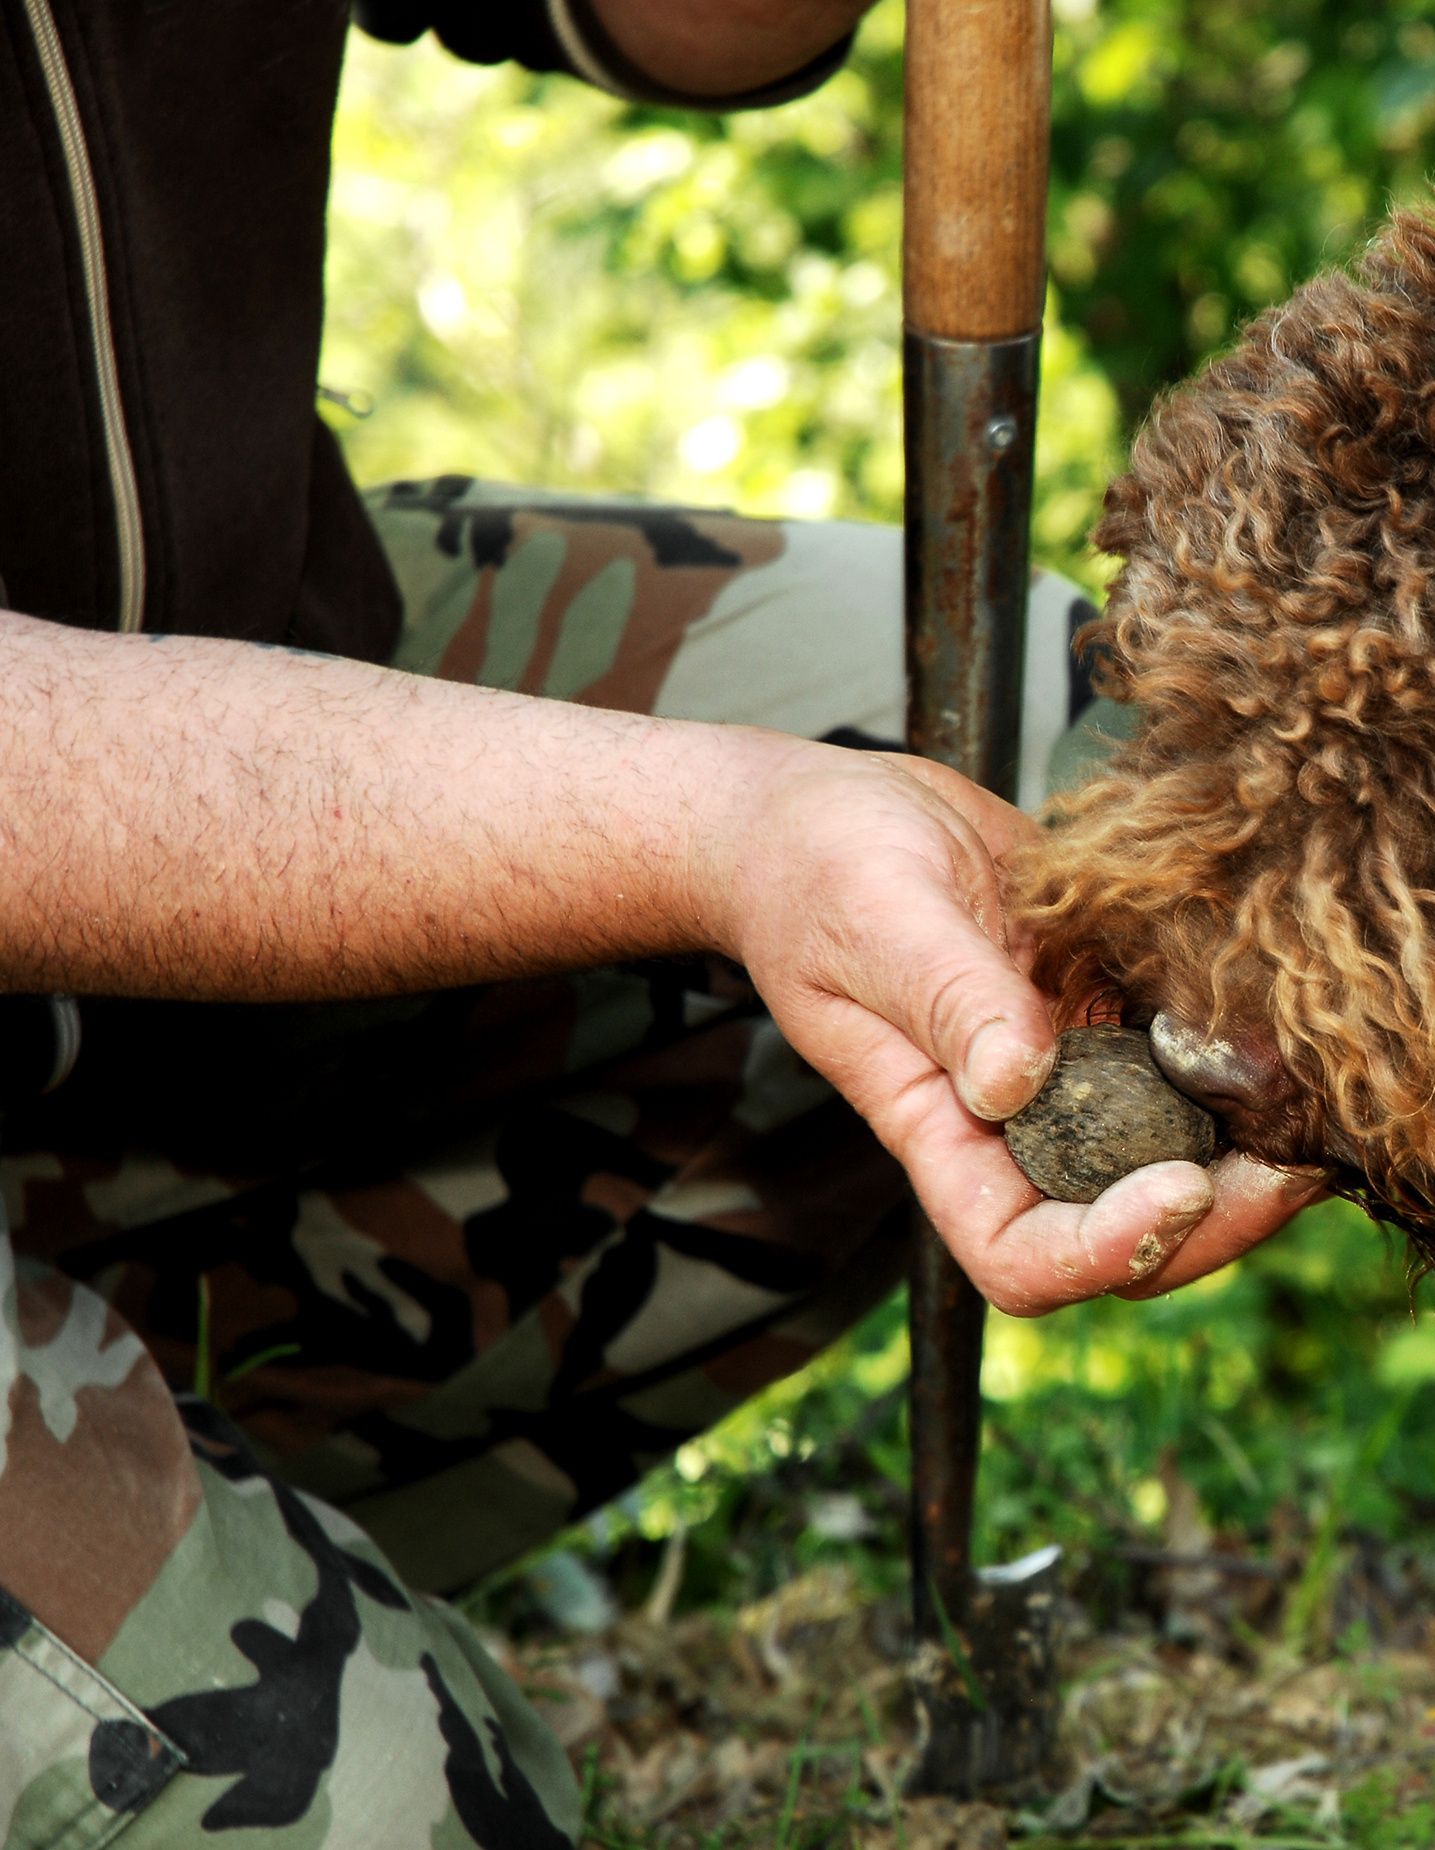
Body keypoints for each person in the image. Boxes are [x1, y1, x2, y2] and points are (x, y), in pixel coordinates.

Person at [0, 4, 1317, 1843]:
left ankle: (162, 1456)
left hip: (191, 722)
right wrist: (720, 834)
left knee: (1078, 793)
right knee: (382, 1811)